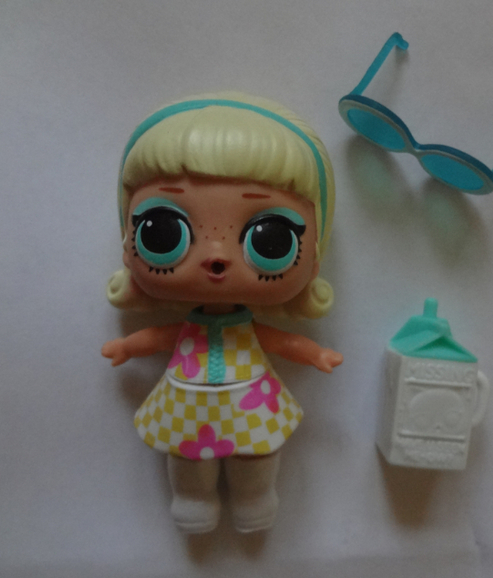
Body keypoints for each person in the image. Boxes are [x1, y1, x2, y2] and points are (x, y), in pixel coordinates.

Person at [101, 92, 342, 533]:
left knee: (258, 454)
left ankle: (255, 497)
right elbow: (159, 337)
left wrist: (316, 354)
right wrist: (126, 347)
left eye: (270, 238)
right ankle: (193, 499)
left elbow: (282, 341)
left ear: (313, 258)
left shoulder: (246, 327)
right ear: (127, 243)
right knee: (186, 457)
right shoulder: (188, 327)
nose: (216, 256)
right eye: (163, 232)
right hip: (187, 406)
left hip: (251, 403)